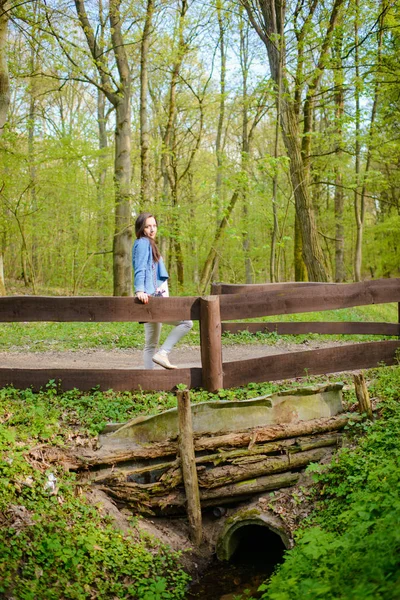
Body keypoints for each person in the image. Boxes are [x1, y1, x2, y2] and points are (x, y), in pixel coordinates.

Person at [132, 212, 193, 370]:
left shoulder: (149, 243)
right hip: (151, 298)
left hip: (153, 297)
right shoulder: (143, 243)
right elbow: (140, 268)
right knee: (187, 322)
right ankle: (163, 353)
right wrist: (139, 290)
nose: (152, 229)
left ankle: (149, 382)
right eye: (147, 226)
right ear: (141, 228)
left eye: (154, 225)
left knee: (150, 344)